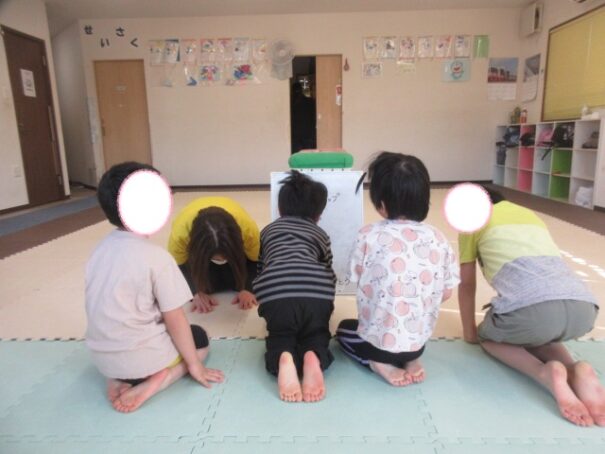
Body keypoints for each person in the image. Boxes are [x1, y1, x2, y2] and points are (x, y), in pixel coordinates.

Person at [457, 186, 603, 427]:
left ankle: (544, 373)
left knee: (489, 336)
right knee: (539, 329)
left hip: (532, 313)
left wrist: (471, 334)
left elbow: (467, 284)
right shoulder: (529, 214)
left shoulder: (472, 222)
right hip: (583, 310)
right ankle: (574, 369)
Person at [85, 162, 224, 413]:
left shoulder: (99, 251)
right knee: (199, 338)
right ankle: (161, 380)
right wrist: (195, 366)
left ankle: (118, 379)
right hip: (145, 361)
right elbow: (175, 318)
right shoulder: (157, 258)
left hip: (102, 361)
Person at [336, 152, 459, 386]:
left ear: (381, 204)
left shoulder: (368, 235)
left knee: (343, 329)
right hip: (417, 342)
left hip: (378, 344)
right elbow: (446, 293)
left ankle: (378, 363)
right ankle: (412, 360)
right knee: (408, 329)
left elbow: (354, 278)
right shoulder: (438, 237)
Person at [254, 171, 336, 403]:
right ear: (318, 216)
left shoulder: (268, 231)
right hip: (316, 293)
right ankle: (312, 355)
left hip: (275, 293)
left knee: (280, 334)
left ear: (280, 209)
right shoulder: (320, 234)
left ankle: (284, 356)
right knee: (316, 332)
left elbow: (261, 268)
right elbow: (328, 268)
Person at [168, 197, 260, 313]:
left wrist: (248, 288)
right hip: (194, 251)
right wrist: (195, 292)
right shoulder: (180, 235)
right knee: (200, 284)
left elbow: (255, 260)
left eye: (225, 257)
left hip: (238, 245)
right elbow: (178, 266)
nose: (221, 260)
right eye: (216, 257)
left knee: (244, 279)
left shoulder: (248, 230)